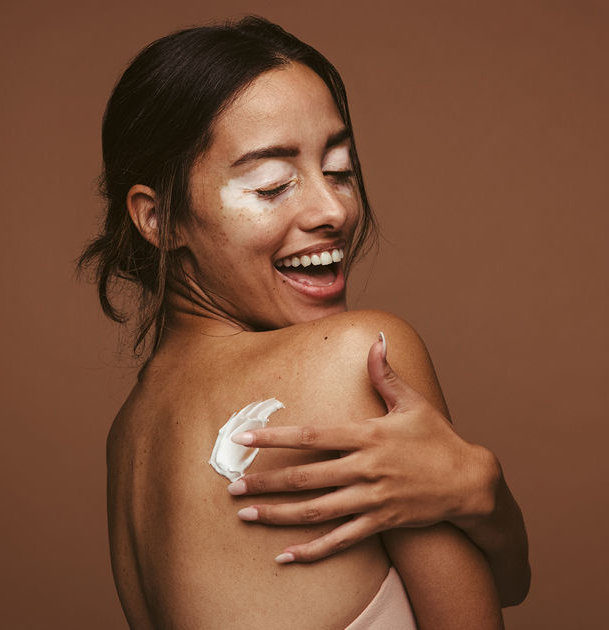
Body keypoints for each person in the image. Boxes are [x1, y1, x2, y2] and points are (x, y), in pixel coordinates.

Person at [80, 16, 529, 629]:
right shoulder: (355, 357)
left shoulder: (129, 440)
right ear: (159, 219)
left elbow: (504, 579)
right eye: (272, 185)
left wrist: (483, 499)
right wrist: (486, 494)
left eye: (341, 171)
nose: (332, 209)